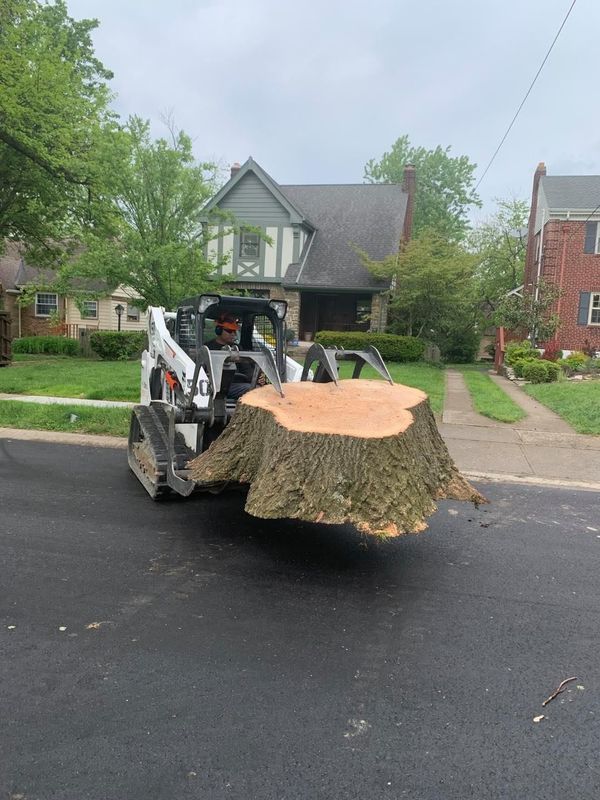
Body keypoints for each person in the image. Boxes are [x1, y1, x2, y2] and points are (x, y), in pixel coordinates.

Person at [205, 313, 254, 399]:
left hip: (238, 384)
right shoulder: (208, 348)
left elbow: (247, 370)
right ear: (219, 330)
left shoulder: (237, 348)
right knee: (252, 389)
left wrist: (255, 378)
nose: (233, 334)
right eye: (229, 331)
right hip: (217, 386)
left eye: (234, 331)